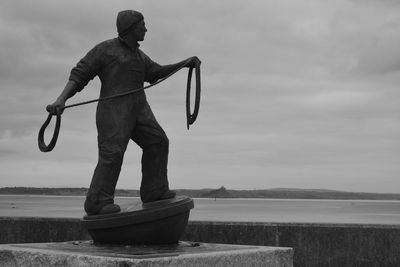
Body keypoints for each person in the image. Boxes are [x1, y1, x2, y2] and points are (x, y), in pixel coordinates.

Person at [47, 10, 201, 216]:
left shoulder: (139, 56)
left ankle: (154, 190)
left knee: (158, 141)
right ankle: (97, 202)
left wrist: (184, 63)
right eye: (142, 24)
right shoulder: (106, 49)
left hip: (139, 109)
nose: (146, 28)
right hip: (113, 110)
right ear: (130, 27)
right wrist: (61, 99)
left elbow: (155, 72)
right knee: (112, 154)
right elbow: (80, 74)